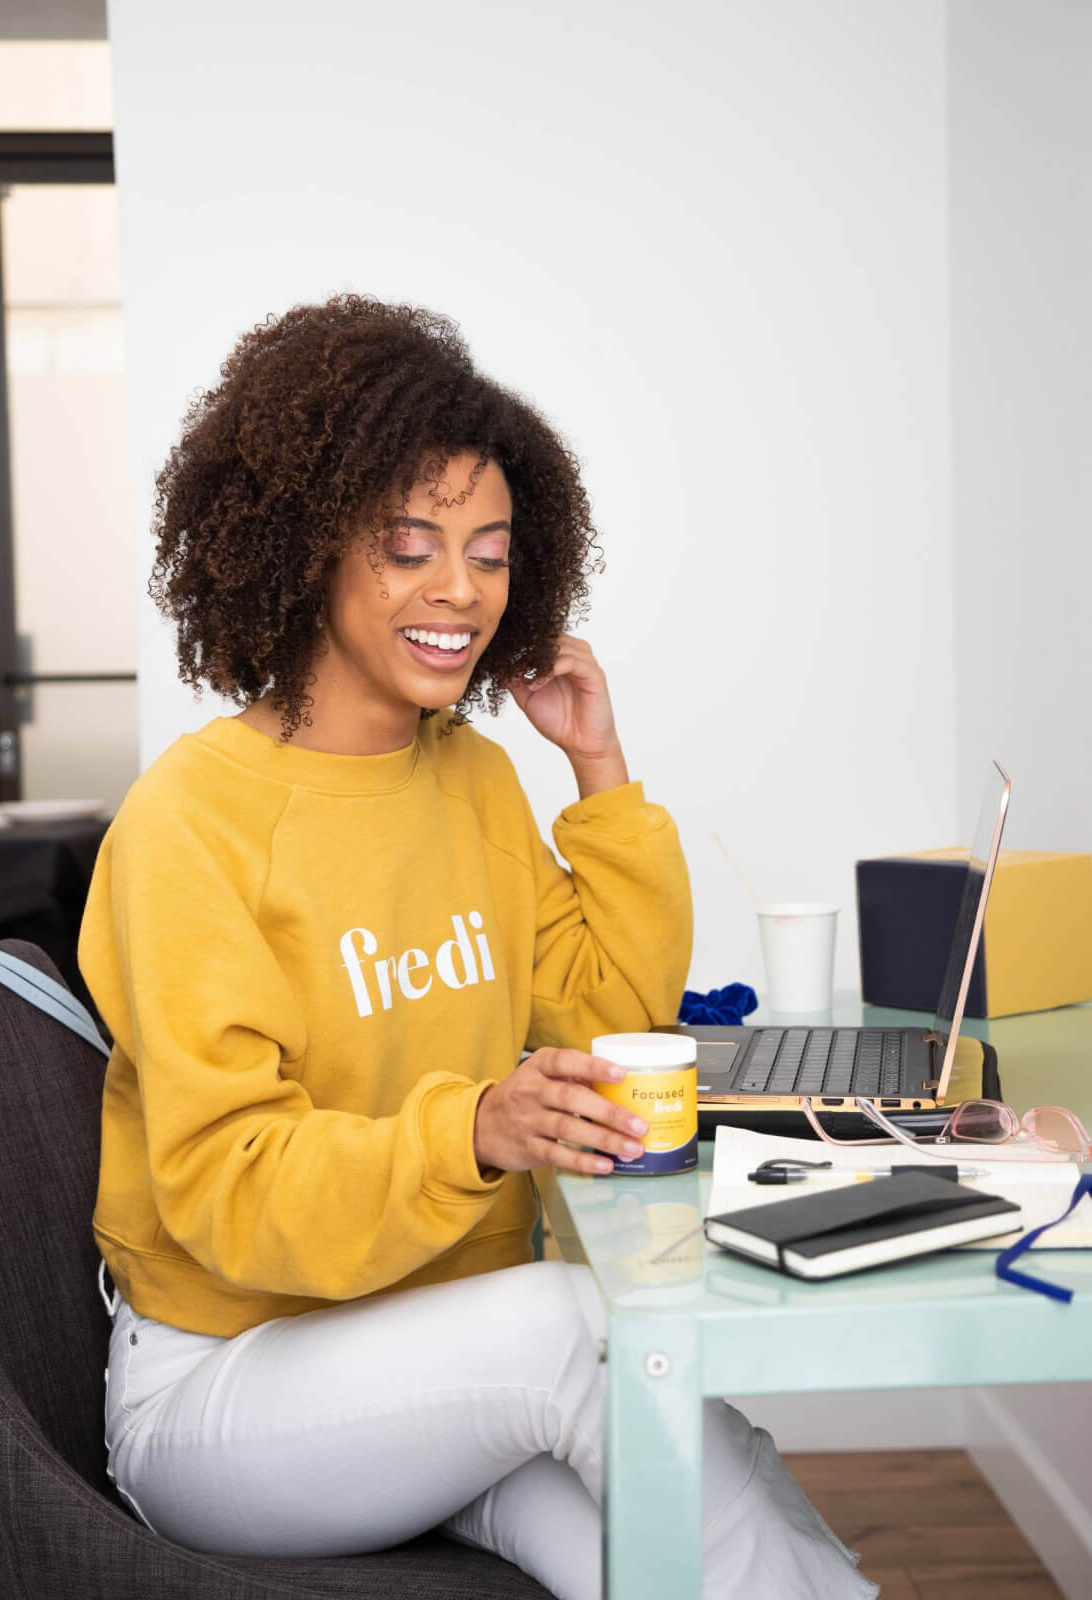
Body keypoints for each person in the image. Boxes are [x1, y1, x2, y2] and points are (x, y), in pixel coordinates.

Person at [79, 294, 876, 1599]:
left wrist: (599, 772)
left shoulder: (475, 779)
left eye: (492, 552)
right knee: (591, 1338)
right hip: (226, 1386)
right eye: (409, 547)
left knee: (670, 1530)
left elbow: (607, 1020)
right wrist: (474, 1131)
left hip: (438, 1361)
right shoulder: (193, 823)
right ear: (304, 548)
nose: (461, 589)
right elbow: (224, 1190)